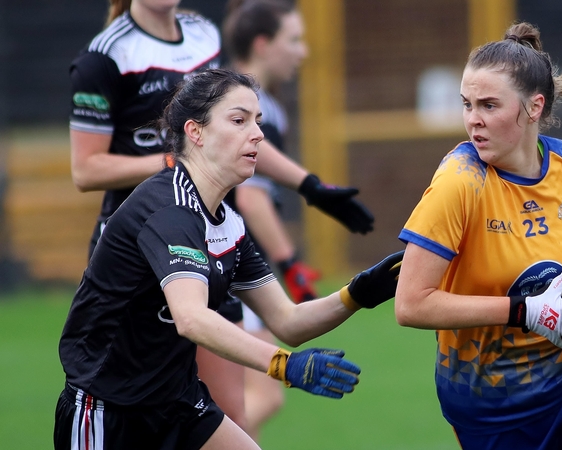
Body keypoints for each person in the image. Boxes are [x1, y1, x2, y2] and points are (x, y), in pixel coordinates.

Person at [54, 68, 404, 450]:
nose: (257, 133)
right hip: (110, 411)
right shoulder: (169, 210)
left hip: (179, 403)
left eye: (258, 121)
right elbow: (192, 319)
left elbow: (287, 321)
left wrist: (356, 295)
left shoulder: (228, 224)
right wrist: (284, 365)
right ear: (195, 132)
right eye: (239, 120)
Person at [394, 22, 562, 450]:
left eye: (488, 105)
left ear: (534, 106)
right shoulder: (459, 182)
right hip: (493, 403)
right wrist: (528, 312)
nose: (472, 121)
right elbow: (411, 304)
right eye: (466, 104)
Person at [220, 0, 308, 438]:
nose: (302, 51)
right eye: (293, 40)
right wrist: (290, 264)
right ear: (262, 44)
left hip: (215, 265)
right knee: (260, 397)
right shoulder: (259, 108)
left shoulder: (223, 94)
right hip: (229, 271)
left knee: (223, 401)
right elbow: (252, 200)